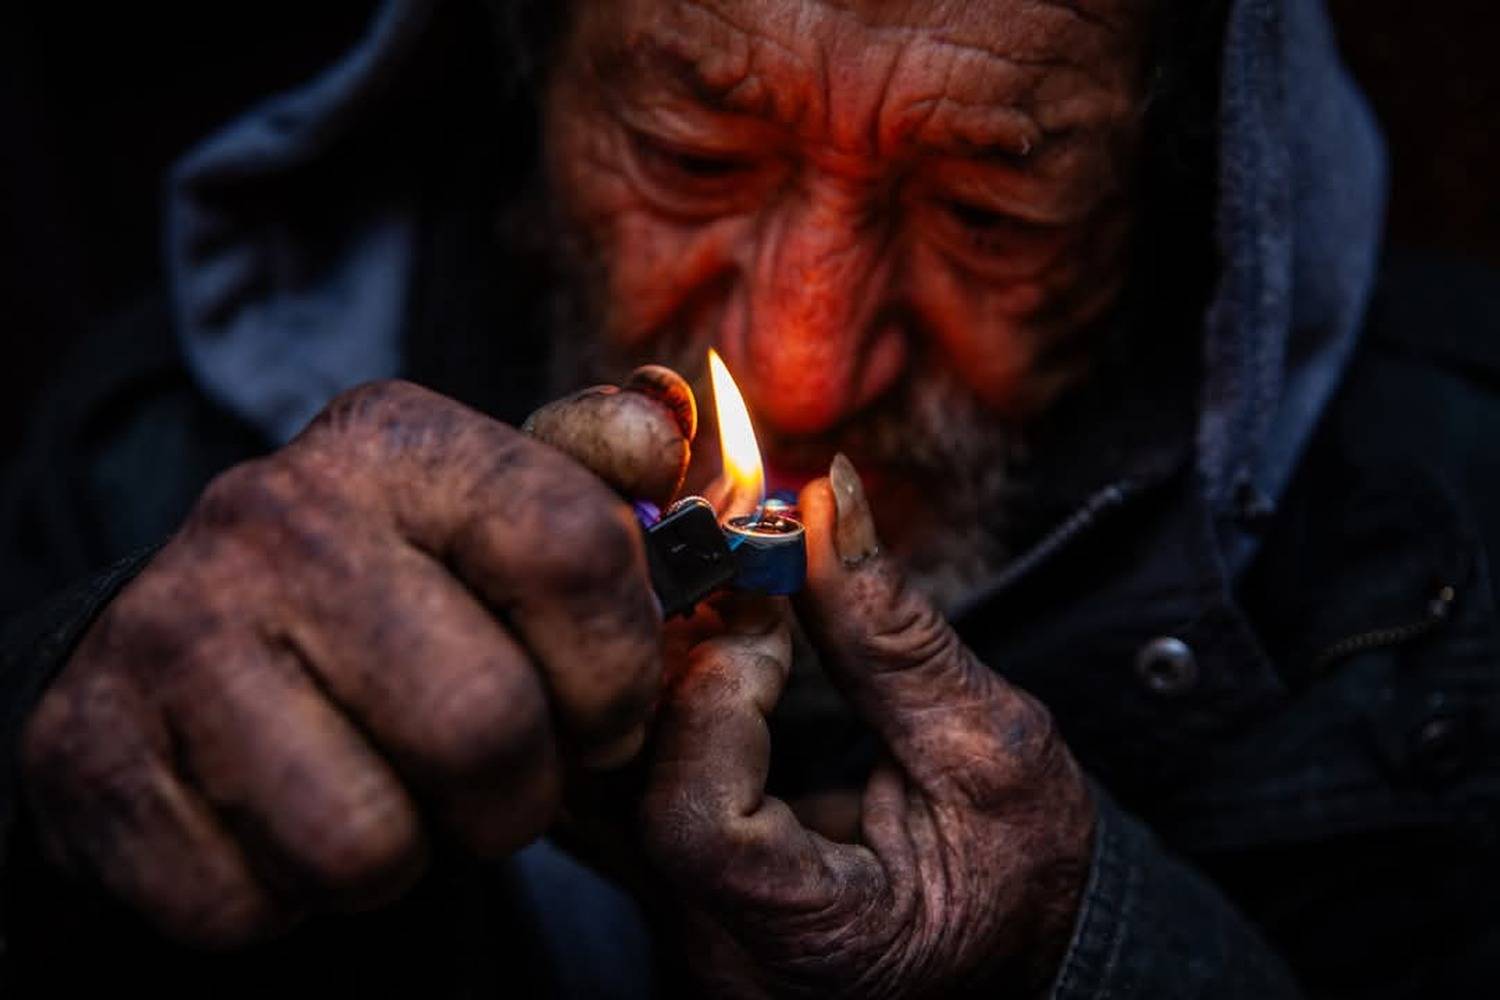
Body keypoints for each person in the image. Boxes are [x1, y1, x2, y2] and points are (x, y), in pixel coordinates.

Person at [2, 0, 1498, 995]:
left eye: (990, 213)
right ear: (523, 71)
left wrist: (1083, 945)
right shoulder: (153, 464)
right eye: (691, 153)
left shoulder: (1453, 507)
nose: (802, 362)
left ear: (1188, 195)